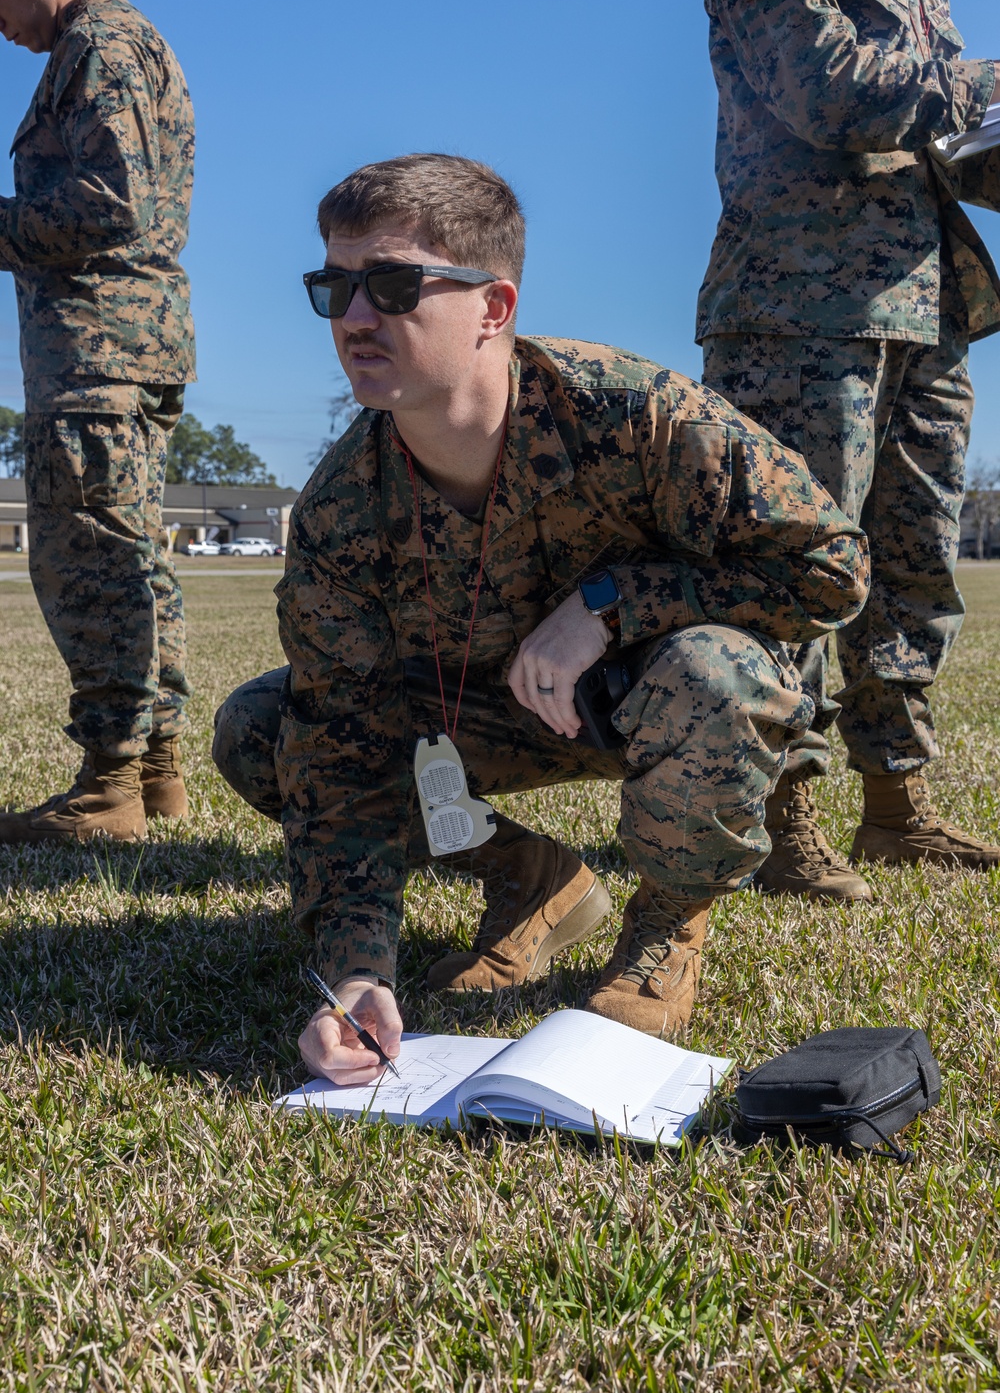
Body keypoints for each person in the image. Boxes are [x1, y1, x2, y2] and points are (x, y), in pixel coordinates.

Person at [212, 152, 868, 1079]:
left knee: (715, 672)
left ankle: (666, 924)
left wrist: (611, 604)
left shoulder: (637, 416)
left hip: (658, 699)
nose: (356, 318)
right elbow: (341, 750)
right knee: (261, 728)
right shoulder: (341, 507)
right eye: (336, 289)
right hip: (479, 715)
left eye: (393, 285)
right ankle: (534, 883)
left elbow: (833, 570)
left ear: (494, 307)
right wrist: (356, 972)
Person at [698, 0, 1000, 901]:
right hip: (798, 306)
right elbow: (823, 91)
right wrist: (982, 86)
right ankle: (780, 825)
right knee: (795, 564)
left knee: (914, 563)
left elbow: (925, 136)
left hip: (923, 306)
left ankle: (894, 808)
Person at [0, 0, 195, 844]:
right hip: (120, 349)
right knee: (137, 561)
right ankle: (154, 773)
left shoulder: (101, 47)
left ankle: (110, 784)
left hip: (97, 355)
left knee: (92, 565)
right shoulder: (111, 43)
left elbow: (112, 201)